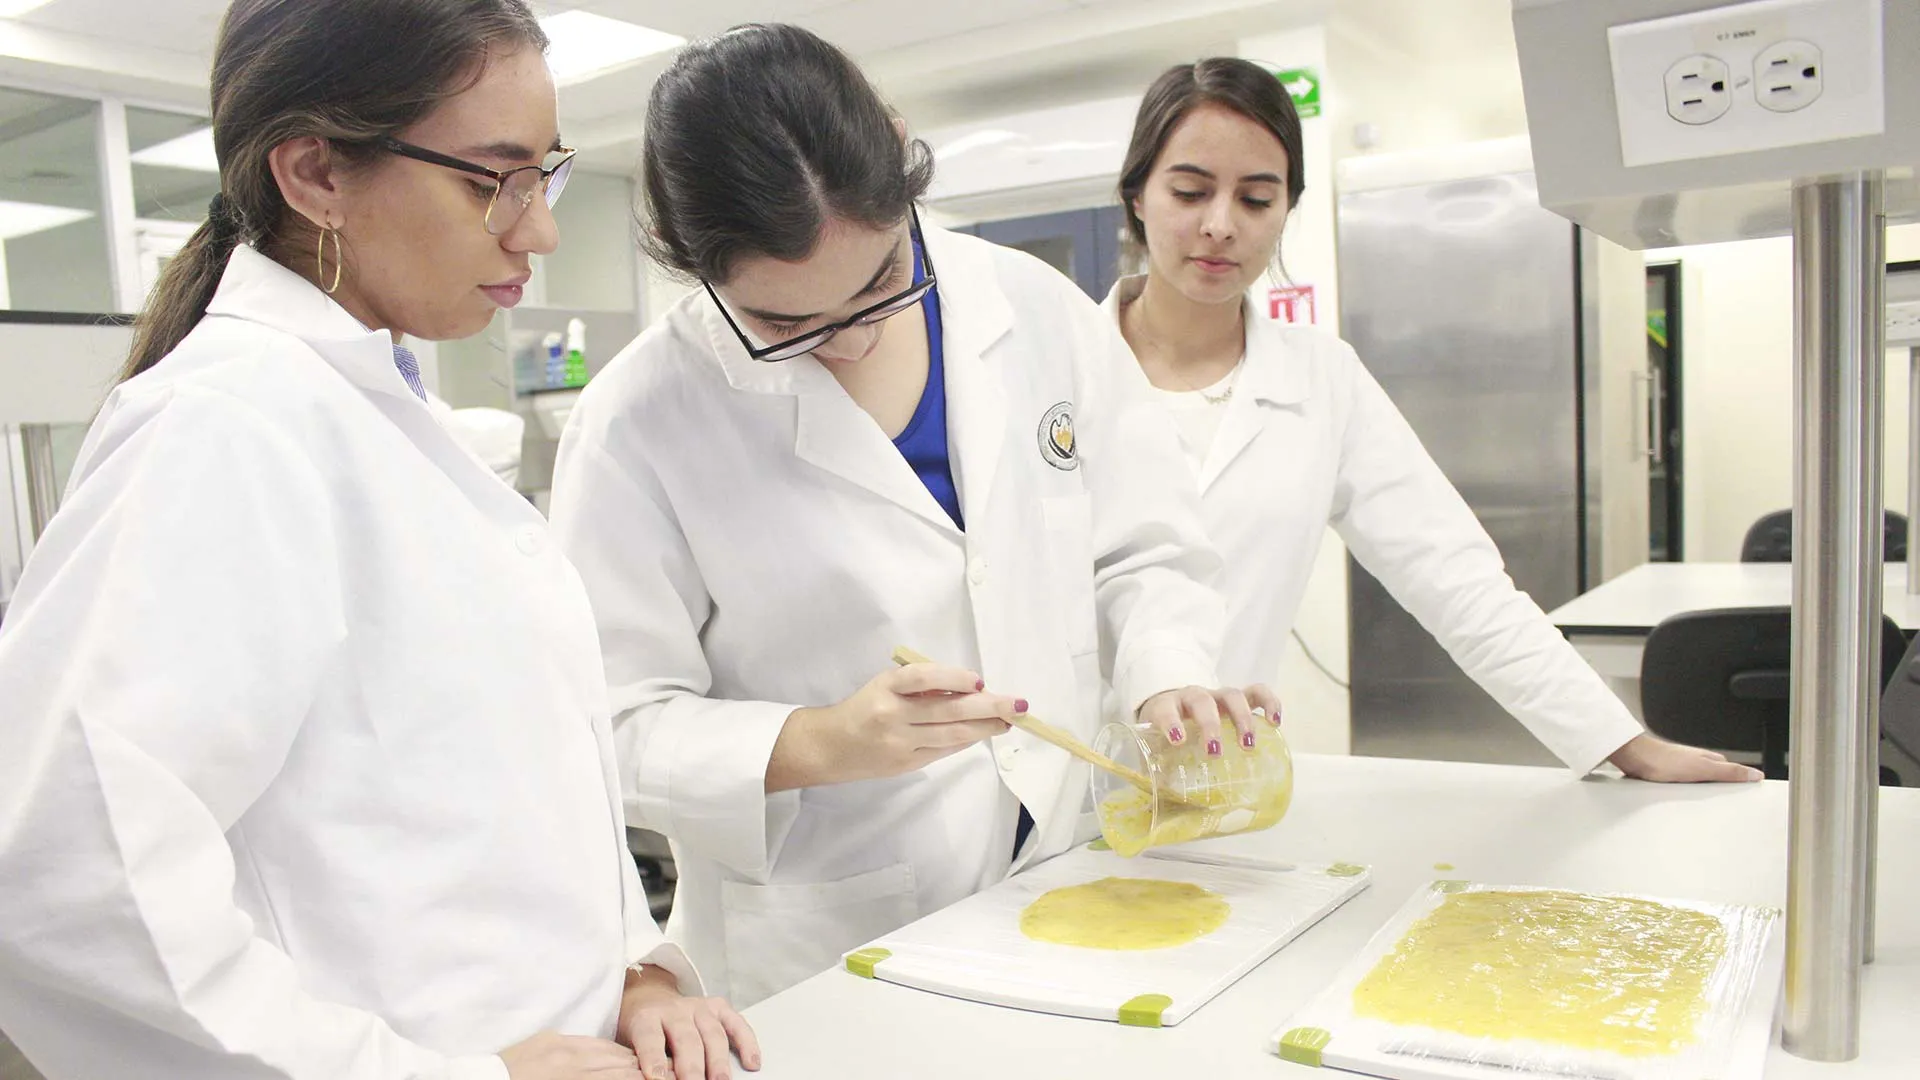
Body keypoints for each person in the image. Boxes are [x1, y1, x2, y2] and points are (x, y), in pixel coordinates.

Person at [0, 2, 758, 1078]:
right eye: (490, 179)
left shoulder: (378, 412)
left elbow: (497, 799)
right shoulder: (227, 428)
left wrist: (635, 969)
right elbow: (61, 873)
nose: (537, 228)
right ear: (314, 175)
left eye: (545, 172)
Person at [548, 23, 1273, 1007]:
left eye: (879, 284)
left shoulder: (1032, 305)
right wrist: (820, 742)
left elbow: (1144, 548)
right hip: (829, 934)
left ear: (896, 158)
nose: (845, 344)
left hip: (1063, 868)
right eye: (784, 326)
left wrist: (1166, 678)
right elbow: (610, 724)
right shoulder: (640, 420)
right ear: (696, 268)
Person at [1106, 57, 1760, 784]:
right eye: (1190, 191)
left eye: (1257, 200)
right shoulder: (1060, 367)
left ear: (1288, 208)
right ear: (1137, 193)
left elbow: (1459, 582)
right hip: (1041, 780)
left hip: (1210, 786)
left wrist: (1621, 742)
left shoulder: (1322, 381)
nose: (1220, 226)